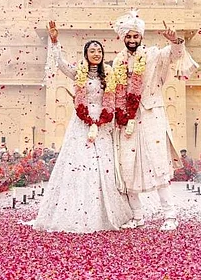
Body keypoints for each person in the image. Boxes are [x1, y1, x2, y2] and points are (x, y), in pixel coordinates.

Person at [30, 21, 132, 233]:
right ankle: (76, 212)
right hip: (81, 124)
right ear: (86, 54)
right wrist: (55, 40)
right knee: (80, 165)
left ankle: (106, 213)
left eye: (99, 50)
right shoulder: (78, 72)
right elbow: (60, 63)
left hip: (103, 125)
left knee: (103, 166)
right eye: (92, 50)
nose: (96, 53)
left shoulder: (110, 74)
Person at [113, 11, 197, 232]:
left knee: (159, 164)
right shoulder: (117, 62)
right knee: (126, 165)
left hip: (152, 115)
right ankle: (137, 216)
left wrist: (175, 40)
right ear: (123, 38)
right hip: (127, 119)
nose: (132, 40)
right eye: (128, 37)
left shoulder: (152, 54)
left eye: (135, 36)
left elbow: (174, 54)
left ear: (141, 37)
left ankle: (170, 215)